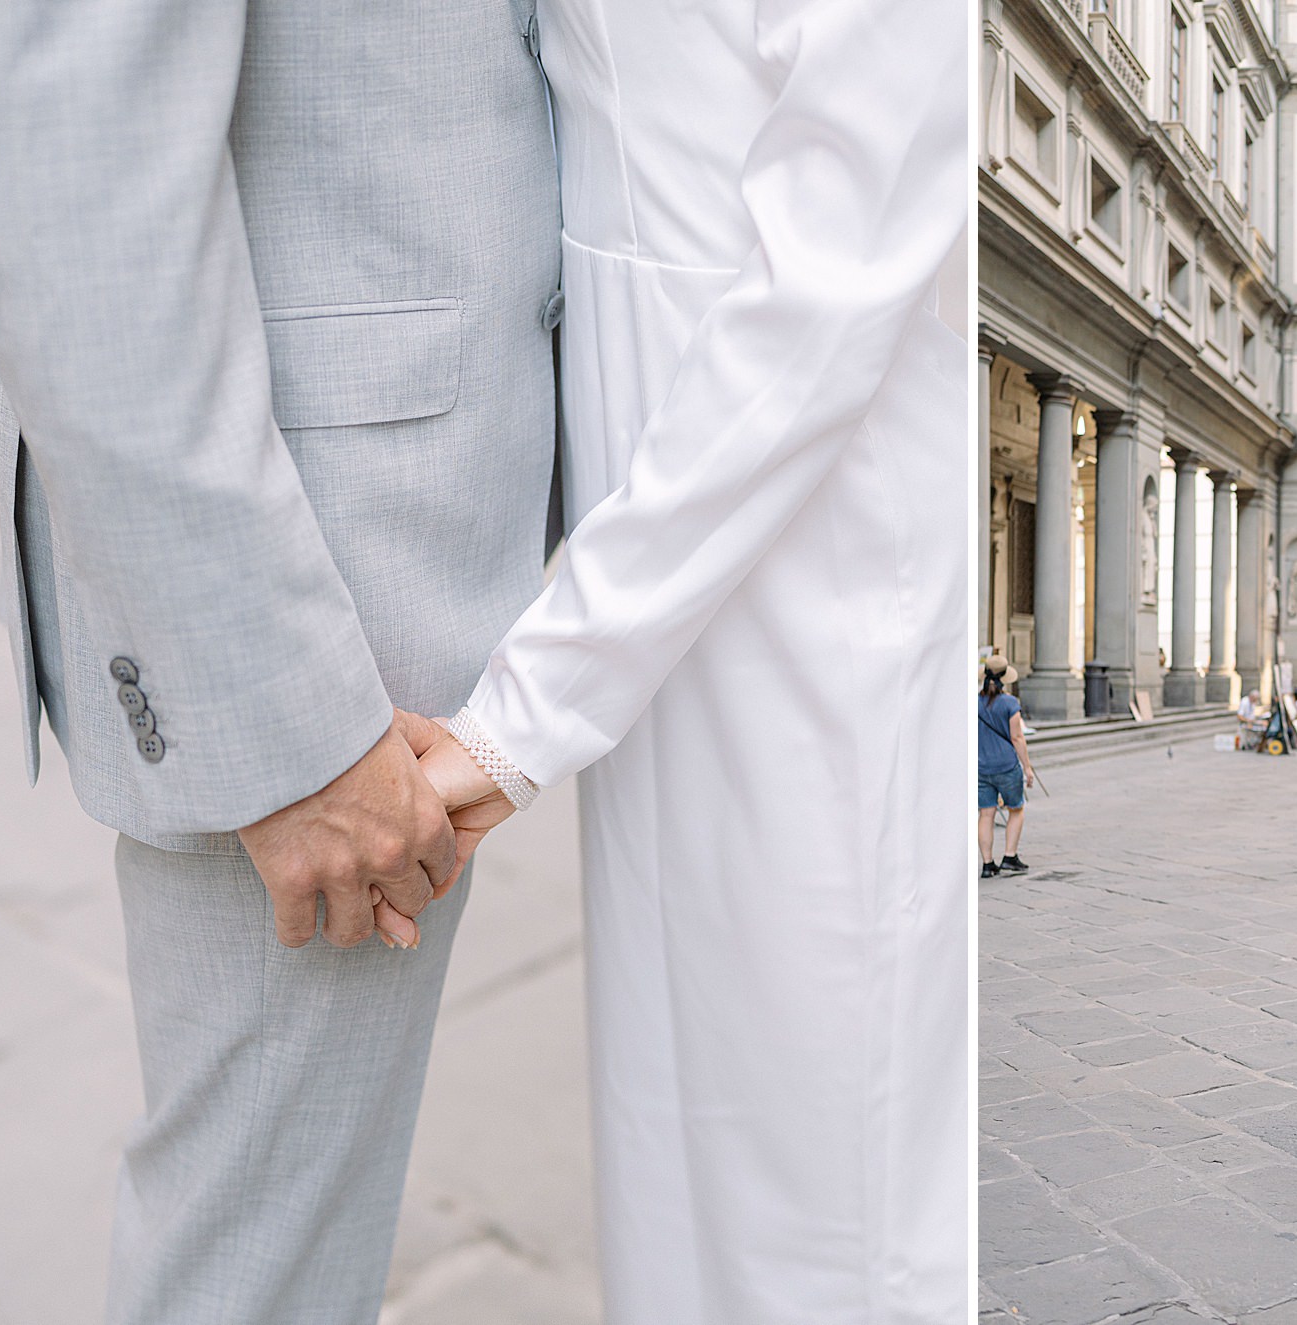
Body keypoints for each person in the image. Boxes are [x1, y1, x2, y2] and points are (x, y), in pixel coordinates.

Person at [0, 11, 560, 1320]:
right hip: (317, 621)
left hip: (407, 540)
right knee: (254, 1272)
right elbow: (68, 188)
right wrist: (282, 723)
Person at [397, 5, 969, 1321]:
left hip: (805, 574)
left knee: (827, 1180)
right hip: (661, 582)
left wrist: (532, 709)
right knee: (683, 1150)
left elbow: (830, 278)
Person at [978, 656, 1036, 875]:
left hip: (981, 767)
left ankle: (987, 864)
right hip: (1006, 766)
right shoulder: (1010, 703)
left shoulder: (974, 702)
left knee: (986, 814)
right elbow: (1017, 737)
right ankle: (1010, 857)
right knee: (1016, 809)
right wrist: (1027, 767)